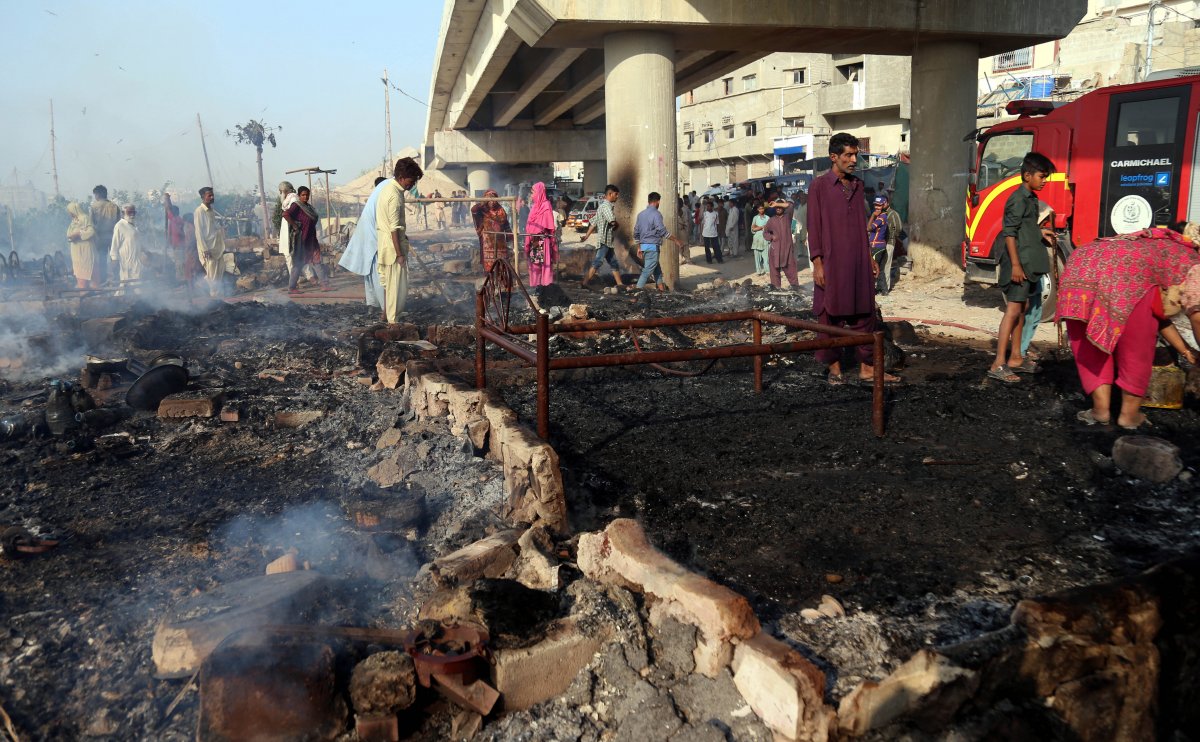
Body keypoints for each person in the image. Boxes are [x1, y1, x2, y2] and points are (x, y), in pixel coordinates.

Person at [1057, 222, 1200, 429]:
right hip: (1128, 274)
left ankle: (1100, 411)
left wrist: (1186, 351)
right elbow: (1196, 317)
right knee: (1137, 350)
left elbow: (1158, 315)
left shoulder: (1152, 243)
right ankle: (1129, 416)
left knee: (1091, 348)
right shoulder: (1192, 259)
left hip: (1081, 268)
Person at [807, 132, 898, 384]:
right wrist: (817, 263)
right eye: (848, 155)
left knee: (865, 314)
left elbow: (861, 225)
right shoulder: (819, 186)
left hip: (858, 261)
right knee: (829, 315)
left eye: (855, 154)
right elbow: (813, 228)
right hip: (831, 262)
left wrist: (869, 257)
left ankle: (867, 368)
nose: (854, 159)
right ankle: (834, 369)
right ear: (833, 157)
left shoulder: (857, 187)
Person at [987, 152, 1056, 383]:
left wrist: (1039, 232)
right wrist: (1015, 265)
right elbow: (1009, 234)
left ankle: (1016, 357)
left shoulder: (1031, 199)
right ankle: (998, 363)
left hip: (1028, 264)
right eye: (1041, 176)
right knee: (1014, 311)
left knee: (1023, 308)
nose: (1044, 180)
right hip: (1020, 265)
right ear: (1027, 175)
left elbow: (1024, 228)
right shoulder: (1017, 199)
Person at [376, 157, 423, 323]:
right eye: (411, 181)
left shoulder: (387, 189)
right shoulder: (395, 196)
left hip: (386, 244)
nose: (412, 185)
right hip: (392, 248)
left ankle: (391, 316)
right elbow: (393, 228)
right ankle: (393, 322)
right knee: (395, 286)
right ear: (402, 177)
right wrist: (399, 254)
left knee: (391, 285)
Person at [338, 176, 389, 314]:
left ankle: (372, 304)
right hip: (373, 240)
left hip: (368, 239)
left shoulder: (374, 199)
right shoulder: (381, 199)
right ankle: (385, 307)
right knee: (379, 274)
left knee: (370, 272)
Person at [1018, 204, 1056, 368]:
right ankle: (1019, 352)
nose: (1044, 226)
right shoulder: (1022, 238)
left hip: (1036, 277)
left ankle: (1023, 348)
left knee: (1035, 312)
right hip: (1029, 276)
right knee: (1026, 313)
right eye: (1041, 223)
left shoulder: (1033, 235)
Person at [282, 186, 333, 294]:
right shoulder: (296, 206)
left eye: (307, 195)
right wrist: (295, 225)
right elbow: (285, 214)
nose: (305, 197)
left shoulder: (309, 207)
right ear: (299, 196)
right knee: (298, 263)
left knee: (317, 261)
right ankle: (292, 288)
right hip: (302, 240)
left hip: (312, 240)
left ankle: (324, 284)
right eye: (303, 195)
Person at [633, 191, 684, 292]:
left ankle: (662, 291)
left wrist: (639, 247)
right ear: (657, 202)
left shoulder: (640, 215)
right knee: (647, 271)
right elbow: (662, 231)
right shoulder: (656, 214)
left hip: (643, 246)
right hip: (652, 247)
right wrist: (676, 240)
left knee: (657, 270)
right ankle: (636, 292)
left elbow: (636, 232)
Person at [581, 184, 625, 288]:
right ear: (610, 194)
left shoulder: (601, 206)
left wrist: (586, 236)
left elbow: (593, 223)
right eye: (616, 194)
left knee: (614, 263)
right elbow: (612, 221)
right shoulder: (606, 207)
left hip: (607, 241)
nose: (617, 196)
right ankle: (584, 283)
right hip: (604, 241)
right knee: (597, 262)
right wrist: (616, 224)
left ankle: (620, 284)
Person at [523, 182, 558, 295]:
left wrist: (553, 245)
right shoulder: (534, 207)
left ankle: (546, 289)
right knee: (536, 266)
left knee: (545, 266)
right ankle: (537, 290)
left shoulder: (546, 206)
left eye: (533, 192)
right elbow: (529, 228)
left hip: (542, 239)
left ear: (539, 192)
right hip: (535, 241)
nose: (531, 195)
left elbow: (550, 227)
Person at [193, 187, 226, 298]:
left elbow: (213, 227)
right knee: (212, 276)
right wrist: (205, 249)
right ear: (203, 197)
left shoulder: (211, 211)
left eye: (212, 195)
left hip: (216, 246)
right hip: (208, 248)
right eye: (209, 196)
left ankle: (216, 295)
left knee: (220, 271)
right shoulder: (199, 211)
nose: (212, 197)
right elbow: (199, 232)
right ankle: (213, 297)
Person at [471, 190, 512, 272]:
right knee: (489, 263)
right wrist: (483, 202)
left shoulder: (501, 210)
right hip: (487, 240)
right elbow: (473, 210)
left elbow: (506, 224)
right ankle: (490, 276)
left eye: (494, 199)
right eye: (490, 200)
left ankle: (501, 276)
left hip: (500, 241)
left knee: (501, 261)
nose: (492, 202)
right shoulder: (482, 210)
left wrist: (510, 236)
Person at [763, 197, 799, 289]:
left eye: (780, 207)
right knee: (774, 272)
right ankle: (777, 290)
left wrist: (776, 204)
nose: (778, 209)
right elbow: (765, 233)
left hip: (787, 250)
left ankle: (795, 289)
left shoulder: (788, 217)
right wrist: (771, 237)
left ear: (783, 208)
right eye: (776, 208)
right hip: (775, 250)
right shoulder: (771, 220)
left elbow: (790, 205)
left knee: (791, 271)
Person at [108, 205, 143, 295]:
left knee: (135, 282)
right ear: (123, 213)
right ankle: (118, 300)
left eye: (133, 212)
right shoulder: (120, 225)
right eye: (129, 212)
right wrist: (114, 259)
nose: (132, 215)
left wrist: (145, 252)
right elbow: (115, 244)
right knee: (126, 282)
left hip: (136, 259)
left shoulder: (133, 225)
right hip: (126, 260)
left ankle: (137, 300)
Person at [91, 185, 120, 286]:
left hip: (100, 237)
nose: (95, 197)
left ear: (98, 194)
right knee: (114, 257)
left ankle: (103, 281)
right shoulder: (114, 206)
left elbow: (92, 224)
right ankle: (116, 279)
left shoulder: (94, 207)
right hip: (113, 236)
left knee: (102, 259)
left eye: (95, 194)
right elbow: (118, 223)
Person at [65, 202, 97, 289]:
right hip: (76, 250)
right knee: (79, 273)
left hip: (85, 250)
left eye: (69, 211)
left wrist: (79, 234)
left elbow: (91, 232)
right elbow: (69, 234)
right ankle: (83, 294)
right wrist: (72, 236)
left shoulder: (85, 218)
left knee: (90, 273)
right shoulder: (74, 221)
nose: (69, 213)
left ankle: (93, 294)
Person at [867, 195, 890, 294]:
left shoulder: (881, 218)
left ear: (884, 205)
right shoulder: (881, 217)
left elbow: (868, 228)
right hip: (880, 246)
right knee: (879, 269)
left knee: (872, 269)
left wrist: (872, 215)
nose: (877, 207)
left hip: (876, 246)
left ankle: (871, 291)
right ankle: (884, 291)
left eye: (879, 205)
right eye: (875, 205)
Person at [750, 203, 770, 276]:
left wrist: (758, 227)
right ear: (757, 210)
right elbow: (753, 229)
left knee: (766, 256)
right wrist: (762, 227)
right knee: (757, 256)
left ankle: (767, 270)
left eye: (762, 208)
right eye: (760, 209)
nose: (761, 210)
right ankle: (758, 271)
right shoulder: (755, 218)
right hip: (757, 239)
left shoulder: (767, 217)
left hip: (765, 238)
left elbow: (769, 228)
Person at [700, 200, 722, 264]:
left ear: (712, 207)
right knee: (707, 248)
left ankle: (719, 259)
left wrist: (717, 231)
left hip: (714, 233)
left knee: (716, 247)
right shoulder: (705, 214)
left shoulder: (716, 214)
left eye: (709, 206)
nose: (707, 208)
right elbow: (703, 223)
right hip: (706, 233)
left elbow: (717, 223)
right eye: (707, 206)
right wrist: (701, 232)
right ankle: (709, 260)